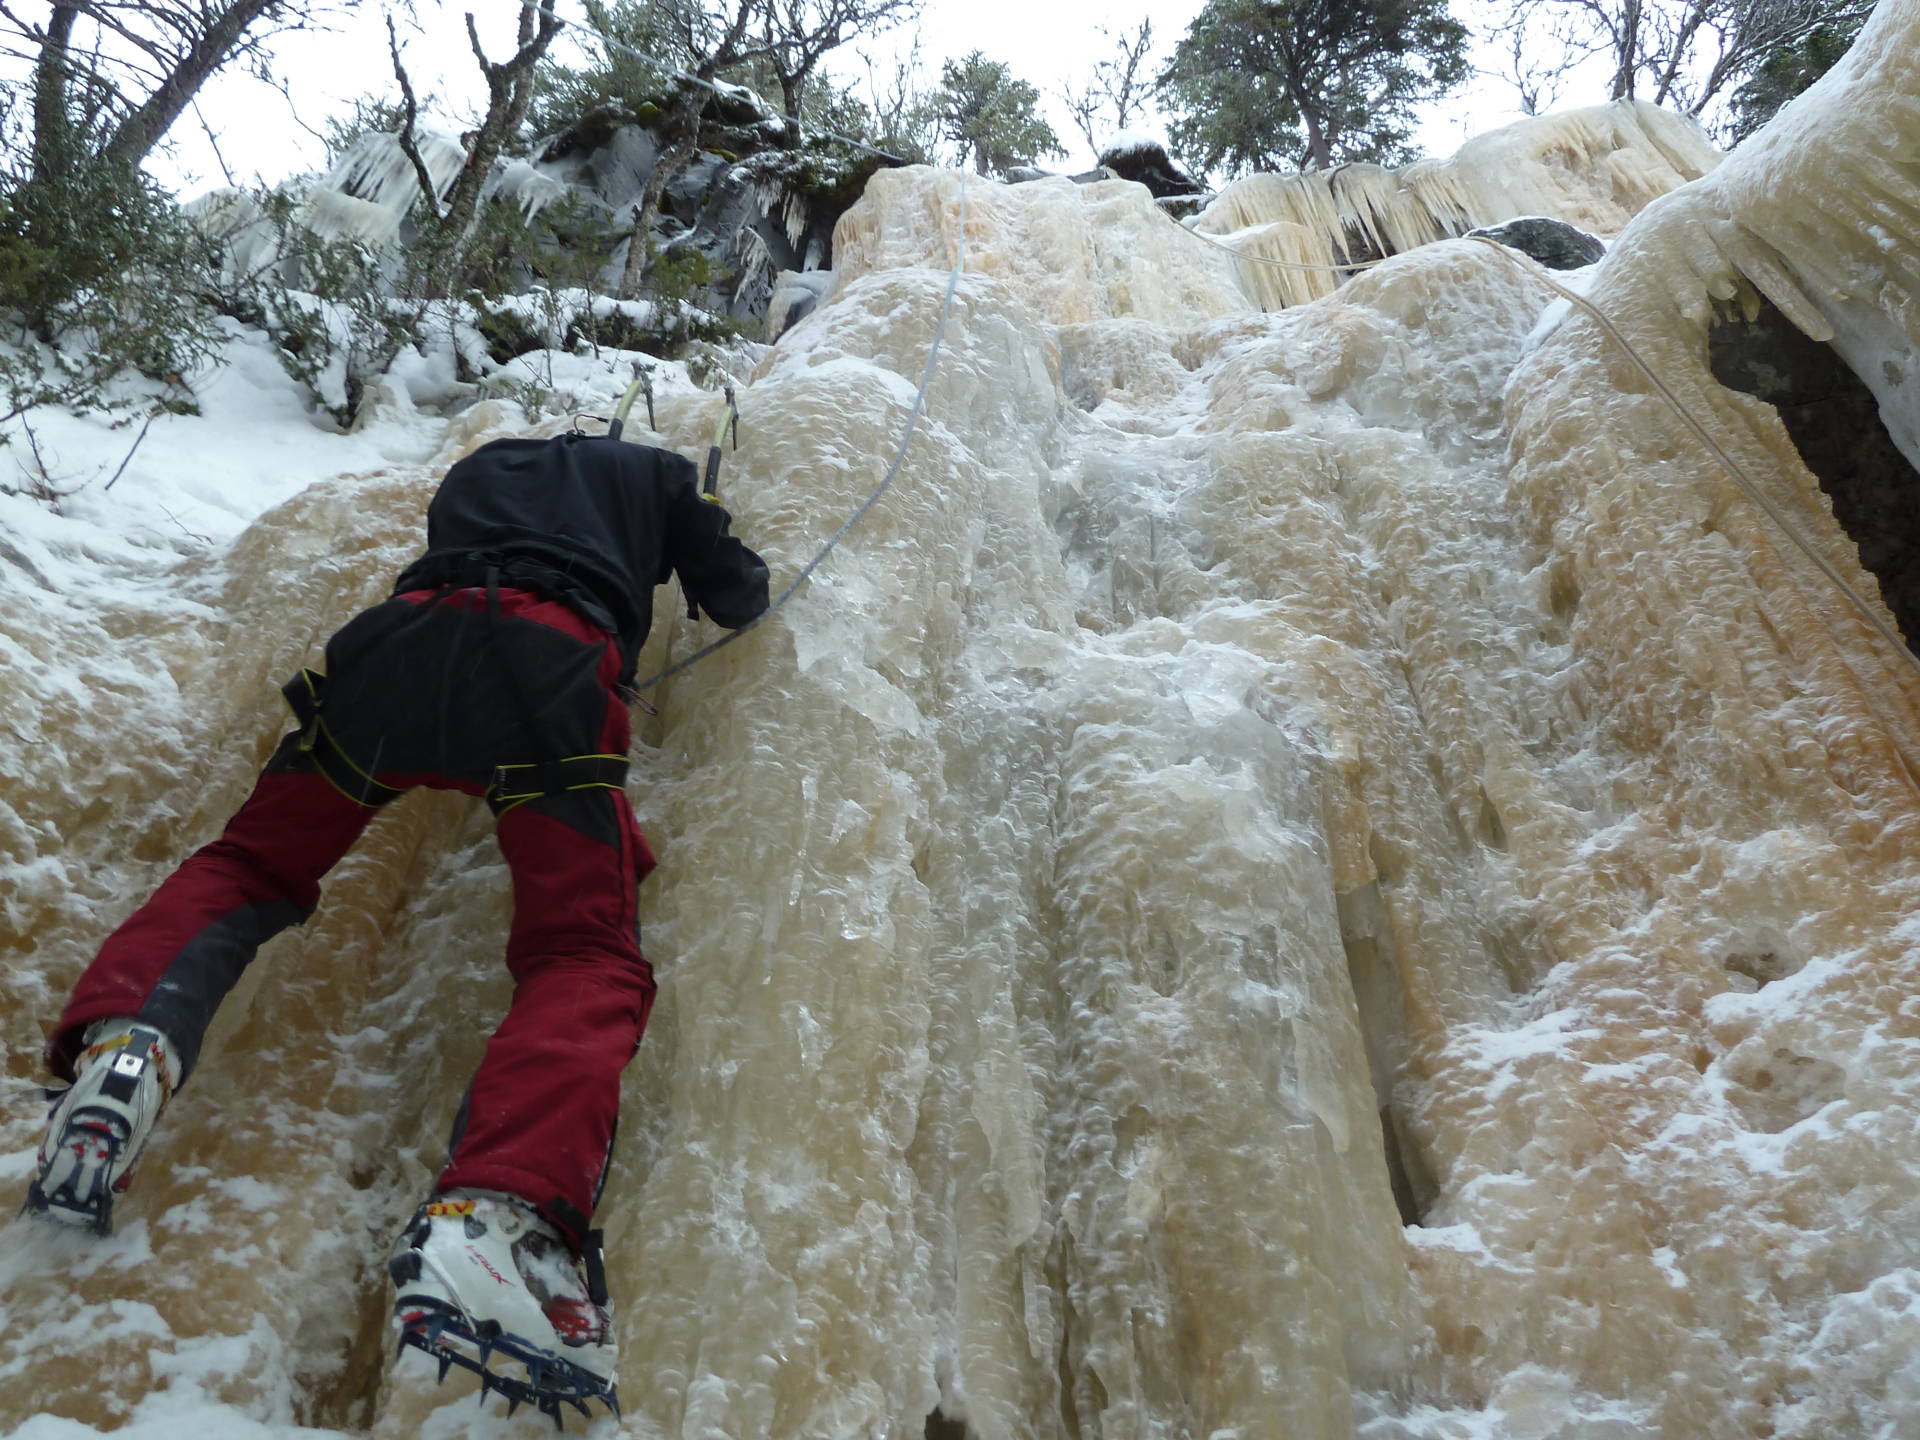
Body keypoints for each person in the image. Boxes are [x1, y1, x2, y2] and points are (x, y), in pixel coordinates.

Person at [27, 431, 770, 1417]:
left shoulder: (487, 462)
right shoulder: (659, 474)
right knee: (581, 949)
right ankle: (499, 1214)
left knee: (251, 861)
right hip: (549, 668)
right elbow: (738, 593)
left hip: (395, 652)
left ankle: (127, 1054)